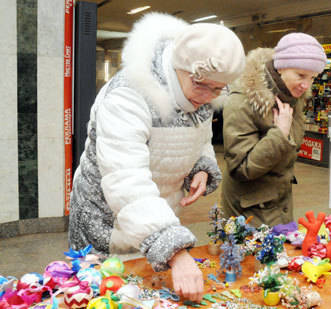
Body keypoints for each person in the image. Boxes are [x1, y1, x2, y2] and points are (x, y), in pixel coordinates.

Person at [68, 13, 245, 302]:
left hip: (157, 219)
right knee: (108, 297)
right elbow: (126, 180)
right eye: (202, 85)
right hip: (107, 225)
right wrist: (175, 251)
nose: (209, 96)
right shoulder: (128, 96)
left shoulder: (202, 90)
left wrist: (201, 166)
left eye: (217, 89)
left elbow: (201, 139)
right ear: (179, 66)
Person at [221, 33, 326, 226]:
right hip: (249, 213)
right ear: (281, 67)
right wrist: (279, 135)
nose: (306, 85)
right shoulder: (243, 100)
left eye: (313, 77)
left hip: (280, 206)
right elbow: (240, 168)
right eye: (301, 75)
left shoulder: (293, 98)